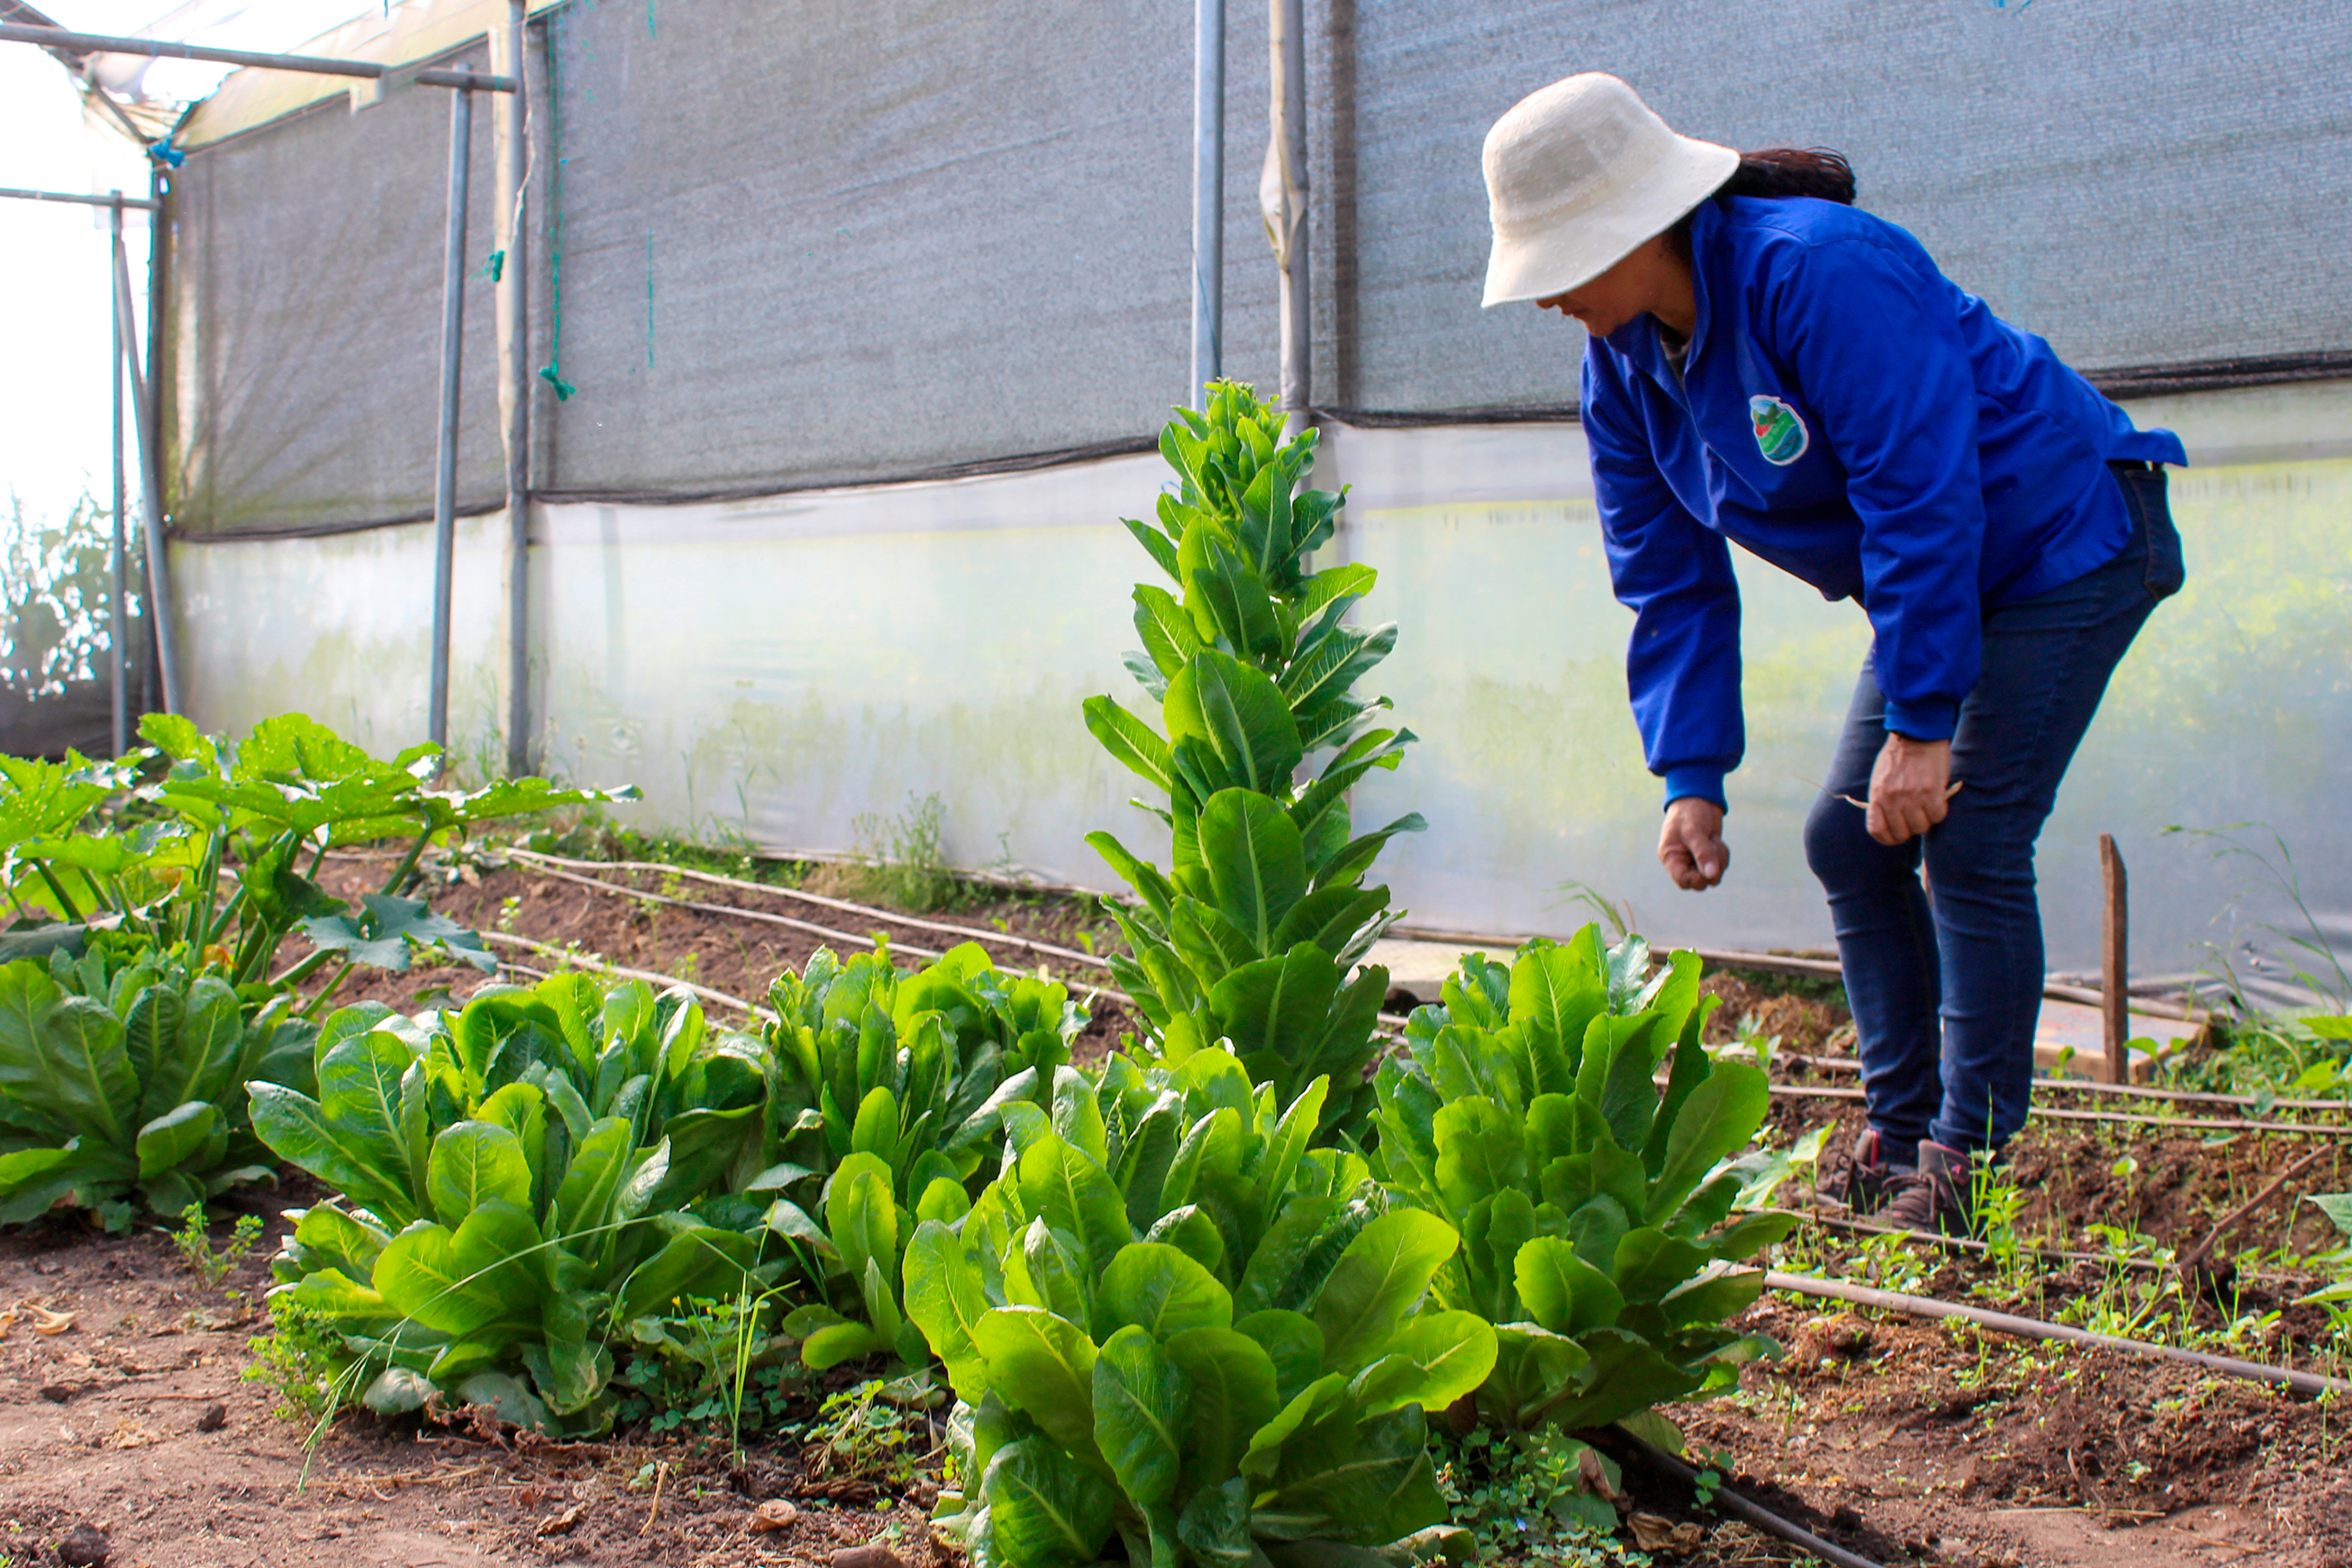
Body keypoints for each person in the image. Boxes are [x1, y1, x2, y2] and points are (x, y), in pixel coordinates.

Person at [1479, 73, 2185, 1234]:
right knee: (1843, 840)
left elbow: (1919, 494)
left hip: (2063, 538)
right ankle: (1897, 1131)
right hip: (1953, 576)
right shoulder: (1620, 371)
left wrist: (1921, 722)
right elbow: (1666, 575)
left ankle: (1967, 1163)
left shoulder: (1816, 270)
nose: (1544, 296)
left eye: (1553, 262)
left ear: (1630, 227)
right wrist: (1688, 777)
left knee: (1967, 834)